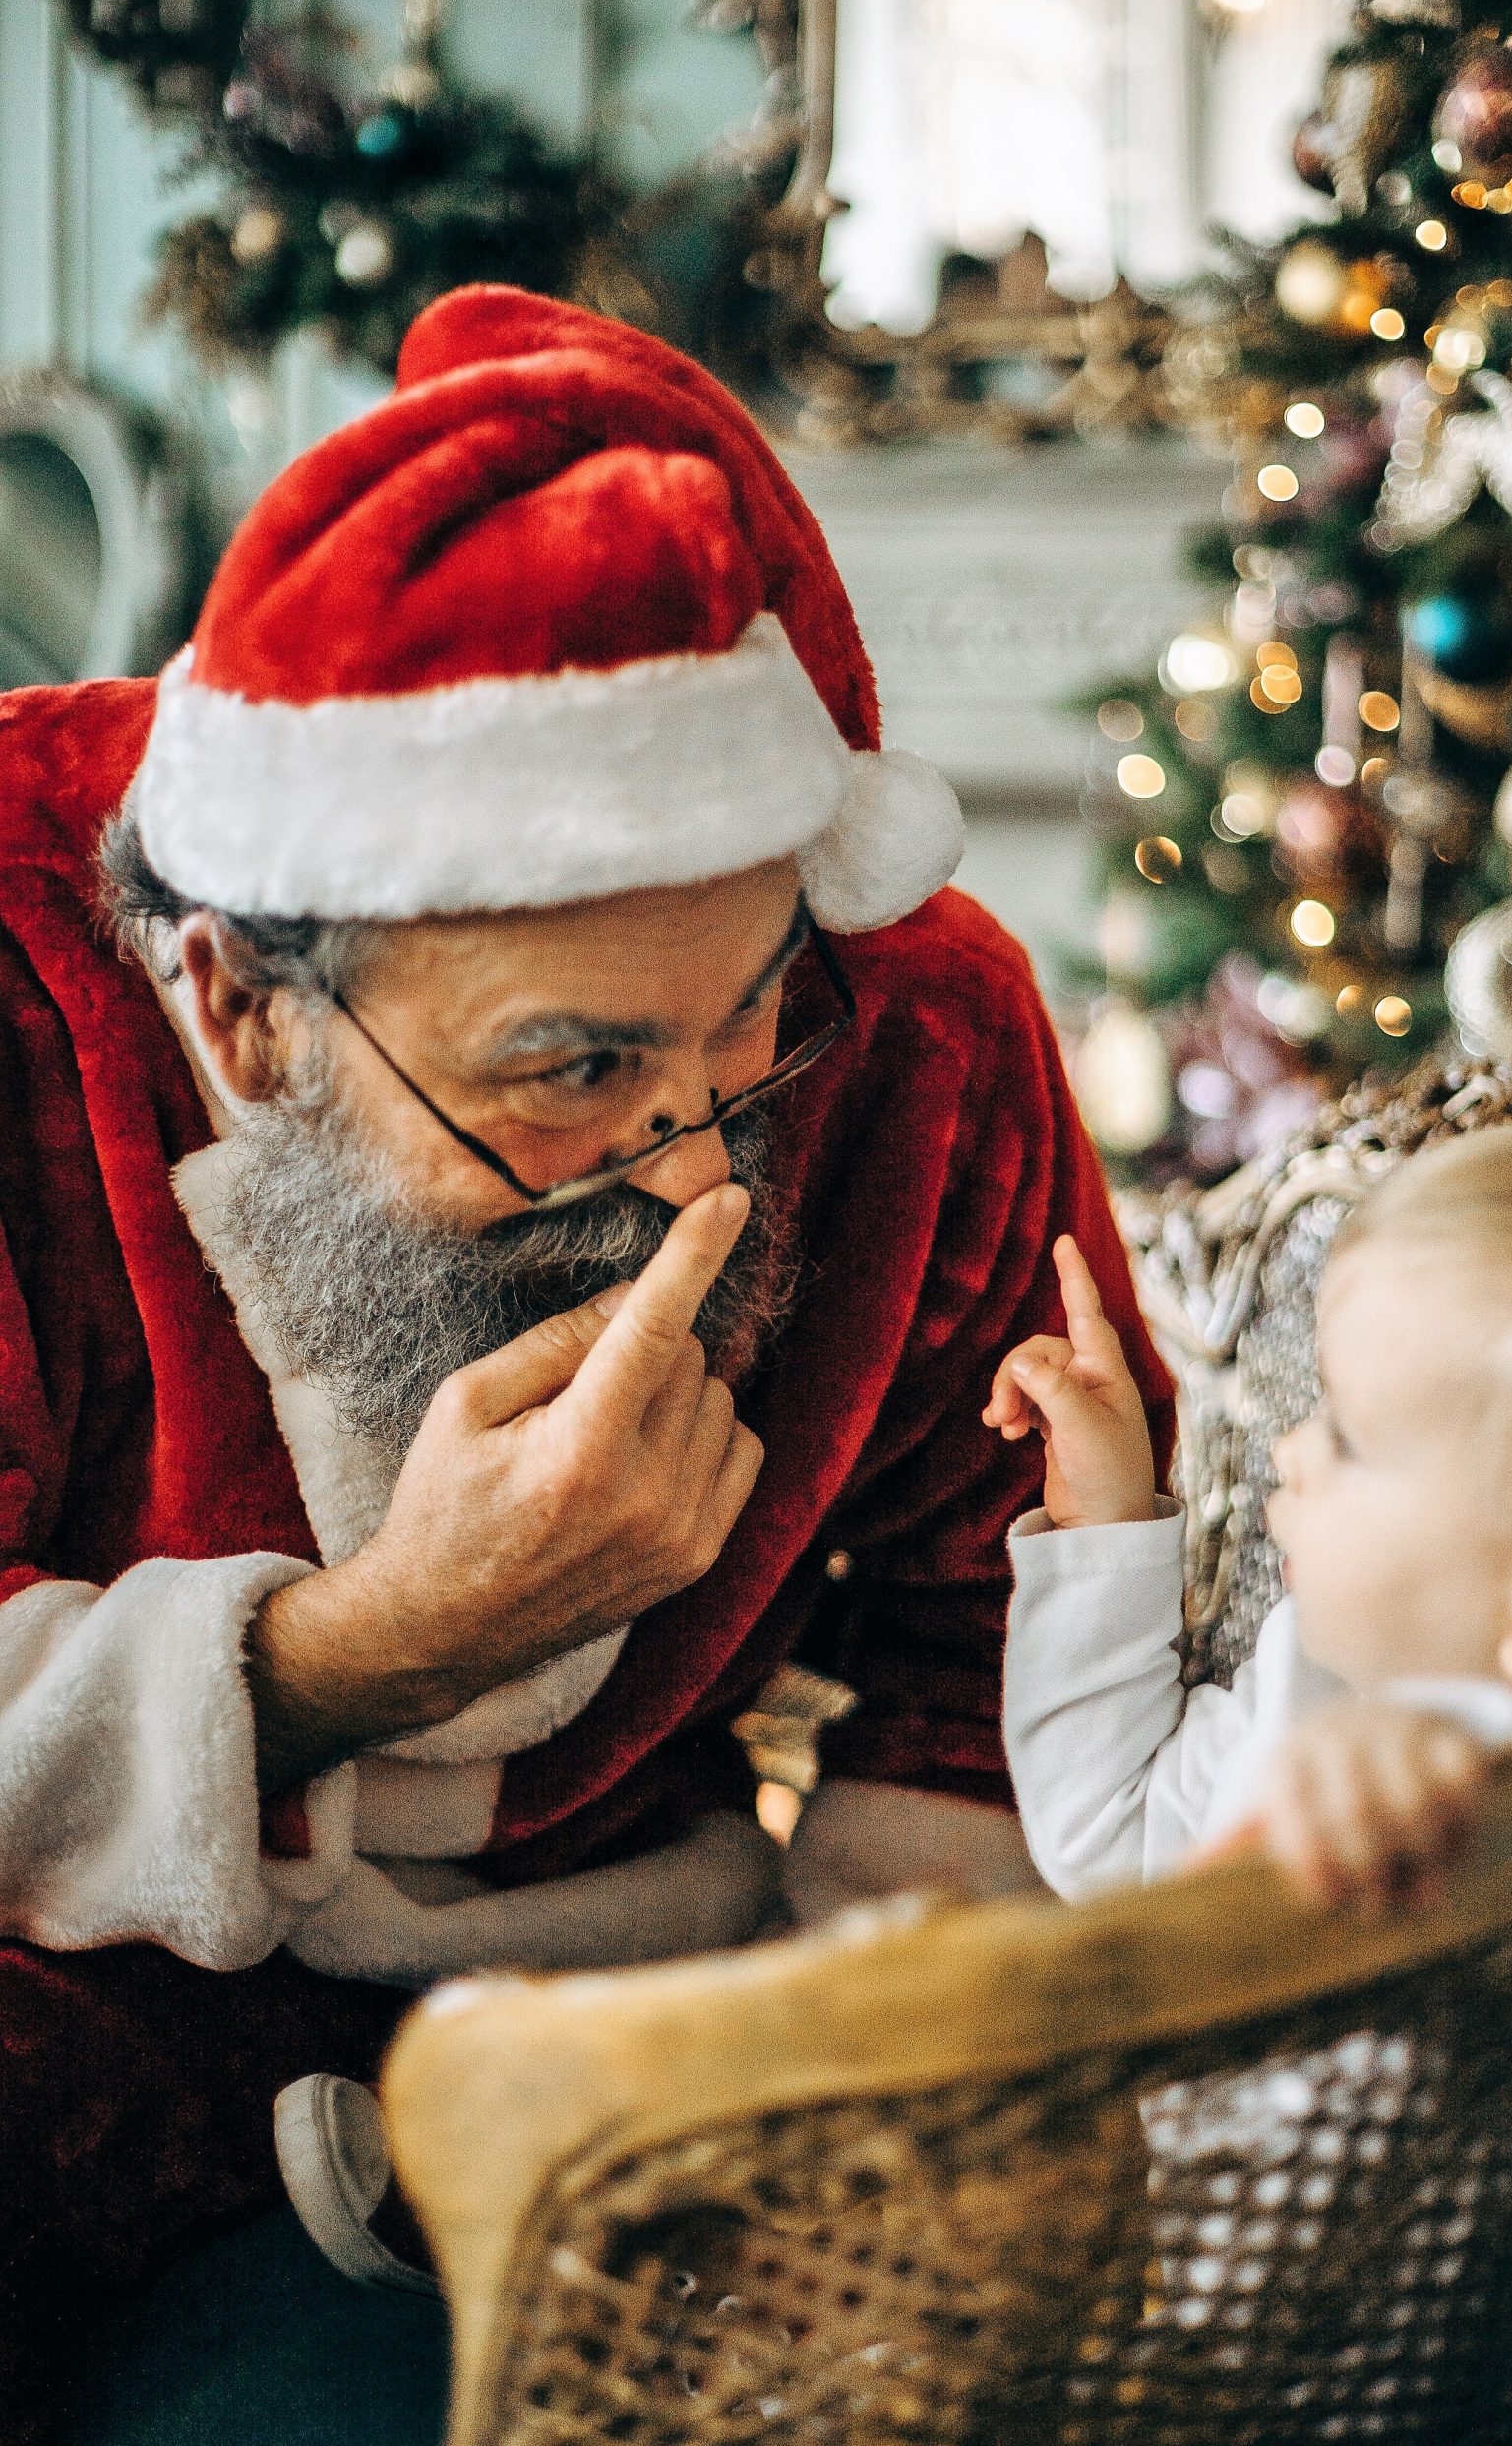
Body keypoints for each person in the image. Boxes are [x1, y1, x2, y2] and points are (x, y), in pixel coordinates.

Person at [0, 284, 1176, 2439]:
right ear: (241, 1005)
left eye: (750, 1015)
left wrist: (848, 2148)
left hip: (602, 2066)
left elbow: (983, 1659)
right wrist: (356, 1656)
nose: (702, 1153)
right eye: (572, 1068)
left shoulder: (915, 1020)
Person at [993, 1121, 1512, 1910]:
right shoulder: (1321, 1661)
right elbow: (1118, 1840)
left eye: (1349, 1439)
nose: (1290, 1451)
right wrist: (1104, 1520)